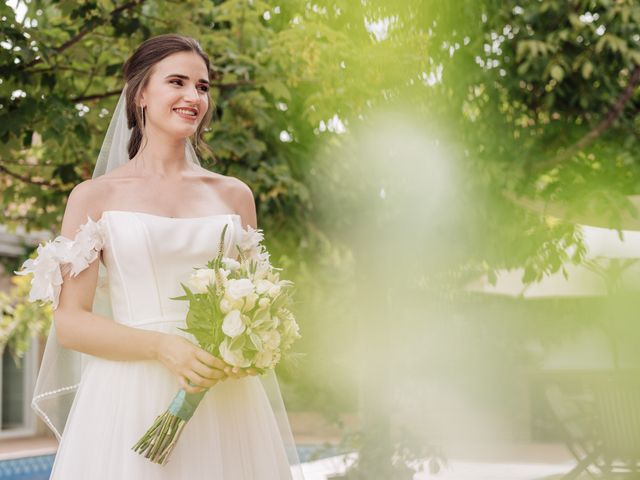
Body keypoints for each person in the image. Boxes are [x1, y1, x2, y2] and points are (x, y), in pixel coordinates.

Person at [16, 33, 304, 479]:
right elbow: (71, 322)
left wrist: (245, 343)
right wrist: (163, 346)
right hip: (125, 397)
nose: (193, 96)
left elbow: (254, 304)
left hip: (221, 399)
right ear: (141, 94)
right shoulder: (94, 197)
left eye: (203, 87)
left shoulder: (234, 195)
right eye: (178, 82)